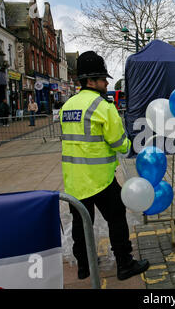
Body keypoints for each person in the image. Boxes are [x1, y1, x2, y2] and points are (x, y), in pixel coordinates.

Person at [60, 51, 149, 280]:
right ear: (90, 81)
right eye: (102, 79)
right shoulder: (103, 107)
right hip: (100, 179)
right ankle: (124, 263)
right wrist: (130, 142)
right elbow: (119, 144)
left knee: (81, 224)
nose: (107, 82)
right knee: (117, 218)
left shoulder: (67, 106)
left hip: (74, 180)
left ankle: (84, 266)